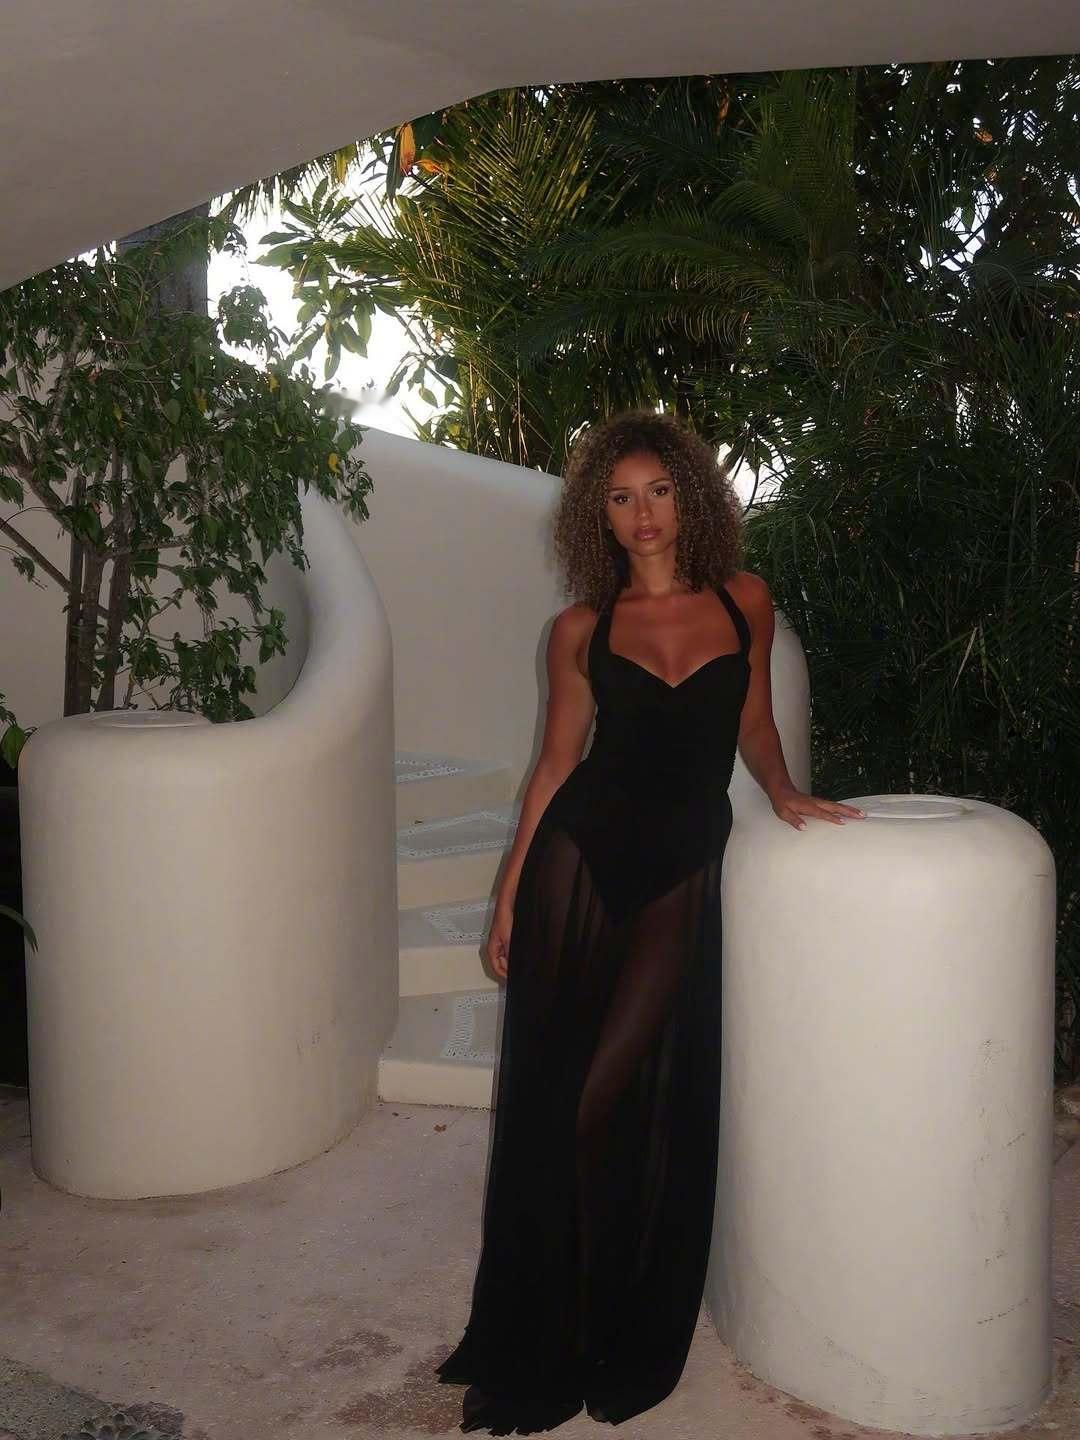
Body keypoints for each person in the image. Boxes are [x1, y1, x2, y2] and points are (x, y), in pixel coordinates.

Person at [435, 410, 866, 1432]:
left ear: (691, 497)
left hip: (680, 865)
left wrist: (784, 789)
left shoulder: (745, 600)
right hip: (579, 864)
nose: (643, 514)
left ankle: (613, 1316)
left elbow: (752, 722)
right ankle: (555, 1333)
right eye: (621, 497)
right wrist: (509, 891)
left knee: (606, 1095)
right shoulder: (580, 630)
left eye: (659, 491)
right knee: (561, 1100)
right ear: (600, 514)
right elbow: (556, 766)